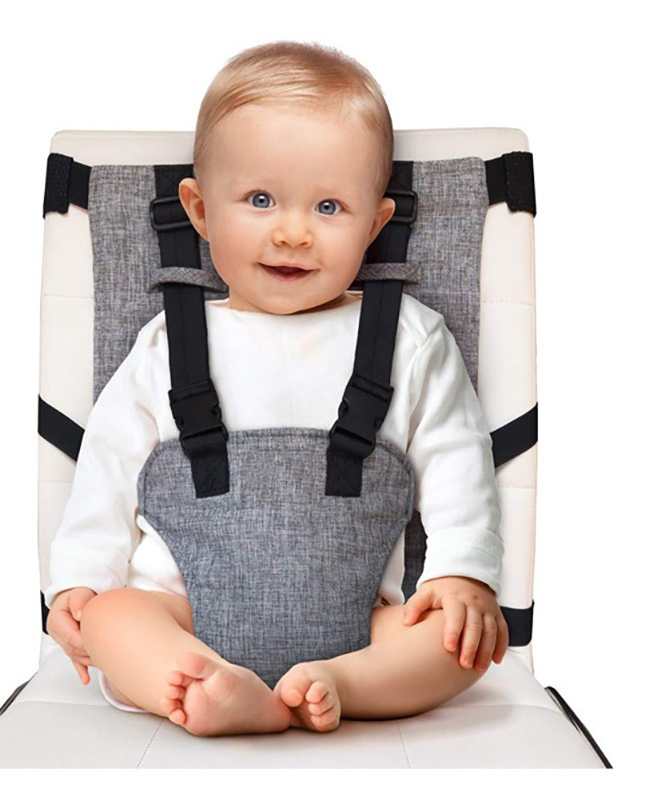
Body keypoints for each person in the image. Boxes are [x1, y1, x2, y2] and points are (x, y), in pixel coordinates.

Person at [44, 40, 508, 738]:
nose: (293, 233)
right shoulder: (169, 342)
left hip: (360, 626)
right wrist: (80, 579)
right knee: (113, 617)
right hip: (182, 613)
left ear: (375, 225)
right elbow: (106, 468)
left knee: (459, 642)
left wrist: (462, 572)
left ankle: (340, 683)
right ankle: (204, 682)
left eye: (329, 206)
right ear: (200, 210)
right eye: (260, 200)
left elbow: (458, 458)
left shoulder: (408, 338)